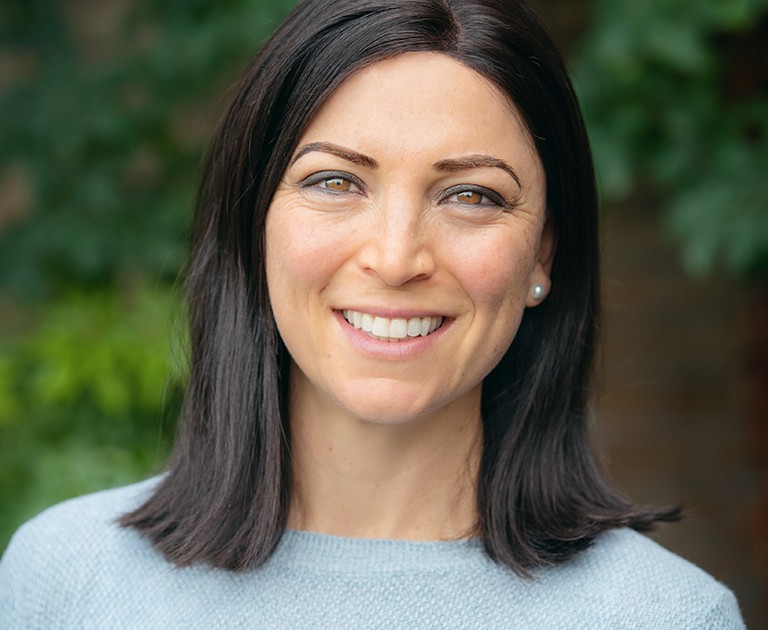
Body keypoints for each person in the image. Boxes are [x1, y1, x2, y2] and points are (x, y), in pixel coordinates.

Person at [0, 0, 746, 627]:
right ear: (253, 222)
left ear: (542, 257)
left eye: (472, 196)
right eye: (334, 182)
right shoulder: (68, 582)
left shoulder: (663, 616)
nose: (395, 259)